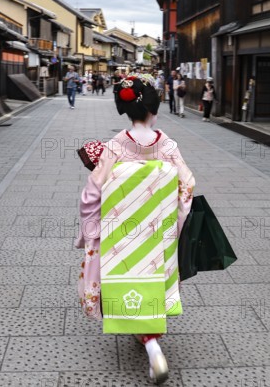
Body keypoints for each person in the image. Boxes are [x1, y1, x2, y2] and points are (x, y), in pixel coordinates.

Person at [76, 73, 195, 384]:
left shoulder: (114, 147)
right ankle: (150, 340)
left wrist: (91, 230)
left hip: (121, 235)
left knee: (124, 280)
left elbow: (91, 193)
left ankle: (153, 348)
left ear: (126, 112)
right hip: (158, 233)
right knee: (153, 281)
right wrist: (177, 223)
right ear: (154, 110)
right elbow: (188, 185)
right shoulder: (168, 146)